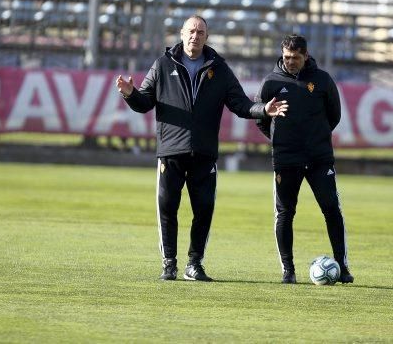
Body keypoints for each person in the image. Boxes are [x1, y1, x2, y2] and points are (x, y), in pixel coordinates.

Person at [116, 15, 288, 282]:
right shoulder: (162, 65)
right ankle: (169, 264)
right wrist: (130, 93)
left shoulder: (219, 69)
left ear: (207, 37)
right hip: (171, 150)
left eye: (200, 32)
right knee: (167, 207)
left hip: (205, 152)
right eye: (191, 31)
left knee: (204, 208)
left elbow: (241, 105)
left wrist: (263, 110)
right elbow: (144, 102)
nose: (195, 36)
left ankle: (194, 264)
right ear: (182, 33)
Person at [255, 34, 354, 284]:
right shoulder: (271, 83)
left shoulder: (322, 80)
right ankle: (288, 271)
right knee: (285, 213)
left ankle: (342, 266)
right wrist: (282, 140)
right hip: (286, 159)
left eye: (296, 58)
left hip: (319, 158)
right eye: (287, 57)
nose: (290, 62)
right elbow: (261, 119)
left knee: (331, 209)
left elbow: (334, 115)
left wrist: (315, 138)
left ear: (305, 56)